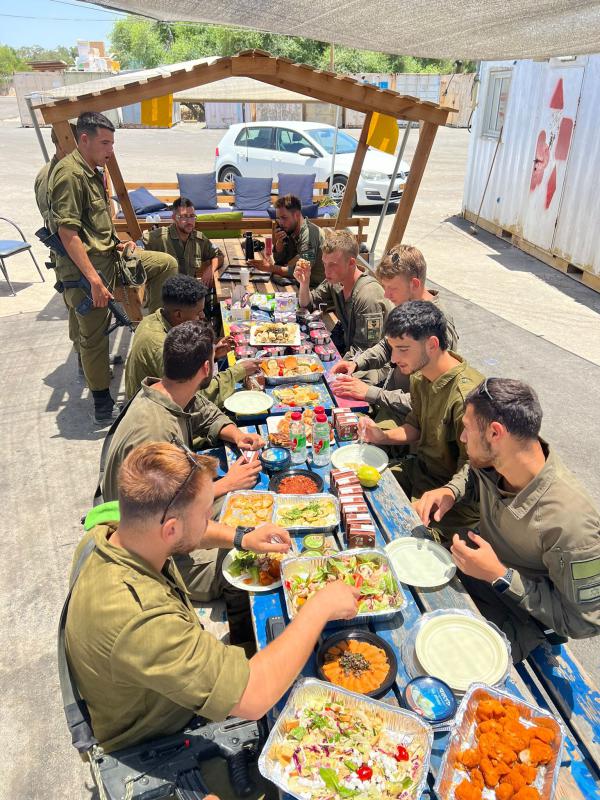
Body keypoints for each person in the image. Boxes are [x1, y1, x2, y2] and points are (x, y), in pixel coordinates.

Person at [67, 441, 360, 762]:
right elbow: (254, 696)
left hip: (156, 692)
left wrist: (242, 537)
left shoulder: (113, 527)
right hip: (158, 741)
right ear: (171, 529)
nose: (211, 518)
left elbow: (187, 531)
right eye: (206, 513)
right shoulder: (140, 618)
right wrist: (319, 606)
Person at [413, 378, 600, 661]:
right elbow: (475, 472)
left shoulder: (570, 522)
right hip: (478, 573)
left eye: (466, 428)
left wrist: (501, 575)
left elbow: (584, 621)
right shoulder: (501, 458)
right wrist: (450, 491)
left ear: (495, 432)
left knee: (436, 659)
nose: (462, 438)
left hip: (521, 617)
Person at [98, 320, 266, 601]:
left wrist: (236, 435)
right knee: (250, 565)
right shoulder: (155, 433)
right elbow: (164, 517)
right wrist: (225, 485)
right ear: (206, 369)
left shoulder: (168, 391)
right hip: (153, 550)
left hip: (169, 514)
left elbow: (204, 412)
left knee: (253, 506)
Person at [48, 111, 178, 425]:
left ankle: (157, 333)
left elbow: (95, 224)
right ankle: (103, 404)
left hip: (111, 257)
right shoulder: (69, 174)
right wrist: (93, 280)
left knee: (166, 264)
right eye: (105, 142)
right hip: (85, 271)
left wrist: (118, 243)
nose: (110, 150)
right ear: (84, 139)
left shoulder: (92, 169)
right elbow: (68, 233)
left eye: (112, 143)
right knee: (93, 337)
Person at [358, 301, 483, 539]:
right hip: (420, 472)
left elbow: (476, 469)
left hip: (452, 504)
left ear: (432, 345)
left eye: (402, 349)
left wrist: (446, 492)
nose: (393, 359)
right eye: (392, 348)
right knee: (352, 487)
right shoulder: (420, 376)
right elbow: (414, 426)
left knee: (397, 543)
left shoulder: (467, 397)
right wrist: (382, 436)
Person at [331, 244, 459, 428]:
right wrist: (357, 363)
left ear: (414, 284)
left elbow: (428, 402)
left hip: (409, 421)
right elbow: (387, 345)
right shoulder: (408, 303)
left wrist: (371, 393)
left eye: (392, 288)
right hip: (389, 398)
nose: (386, 295)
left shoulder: (439, 327)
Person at [124, 274, 259, 405]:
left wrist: (212, 354)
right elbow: (196, 396)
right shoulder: (161, 346)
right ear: (178, 314)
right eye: (198, 312)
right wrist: (238, 371)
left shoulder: (154, 318)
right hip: (152, 412)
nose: (203, 316)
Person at [294, 229, 392, 356]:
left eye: (333, 265)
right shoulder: (336, 282)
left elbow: (366, 351)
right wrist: (304, 283)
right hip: (350, 351)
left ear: (351, 263)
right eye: (325, 264)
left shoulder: (368, 296)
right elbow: (307, 305)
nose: (326, 271)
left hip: (373, 367)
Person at [34, 124, 81, 363]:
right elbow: (64, 226)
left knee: (76, 308)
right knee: (81, 309)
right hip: (71, 256)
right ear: (62, 141)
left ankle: (86, 357)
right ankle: (86, 361)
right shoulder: (63, 175)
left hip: (61, 255)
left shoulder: (44, 173)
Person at [142, 196, 224, 288]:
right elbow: (138, 244)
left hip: (188, 294)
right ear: (174, 218)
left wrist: (211, 269)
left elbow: (219, 255)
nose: (189, 221)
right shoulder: (160, 237)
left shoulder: (199, 239)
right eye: (184, 217)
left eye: (192, 216)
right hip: (165, 297)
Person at [248, 194, 324, 287]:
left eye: (284, 218)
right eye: (279, 218)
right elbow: (280, 260)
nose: (281, 222)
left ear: (296, 215)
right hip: (302, 281)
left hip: (314, 286)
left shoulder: (308, 236)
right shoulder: (292, 230)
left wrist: (271, 268)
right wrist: (279, 242)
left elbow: (302, 271)